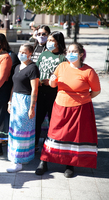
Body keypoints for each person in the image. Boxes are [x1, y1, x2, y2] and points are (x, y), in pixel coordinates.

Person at [35, 42, 101, 178]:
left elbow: (96, 91)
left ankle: (69, 164)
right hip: (60, 106)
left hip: (79, 109)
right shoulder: (62, 66)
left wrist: (84, 98)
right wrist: (52, 80)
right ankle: (44, 161)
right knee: (53, 134)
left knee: (72, 137)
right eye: (68, 51)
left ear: (81, 54)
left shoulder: (89, 71)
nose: (69, 54)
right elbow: (54, 85)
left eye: (73, 51)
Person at [6, 44, 40, 172]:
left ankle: (18, 161)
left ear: (30, 53)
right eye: (20, 51)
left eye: (24, 52)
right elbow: (14, 86)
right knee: (14, 129)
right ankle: (20, 157)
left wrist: (32, 107)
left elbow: (34, 89)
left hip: (25, 101)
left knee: (21, 130)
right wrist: (10, 101)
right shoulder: (17, 67)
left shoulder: (33, 68)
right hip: (15, 100)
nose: (21, 54)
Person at [35, 31, 67, 151]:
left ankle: (50, 145)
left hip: (54, 94)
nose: (48, 43)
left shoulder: (63, 58)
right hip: (40, 92)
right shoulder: (43, 54)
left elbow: (65, 77)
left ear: (58, 42)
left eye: (51, 40)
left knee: (53, 121)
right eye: (48, 40)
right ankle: (35, 144)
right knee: (38, 119)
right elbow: (36, 69)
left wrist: (53, 82)